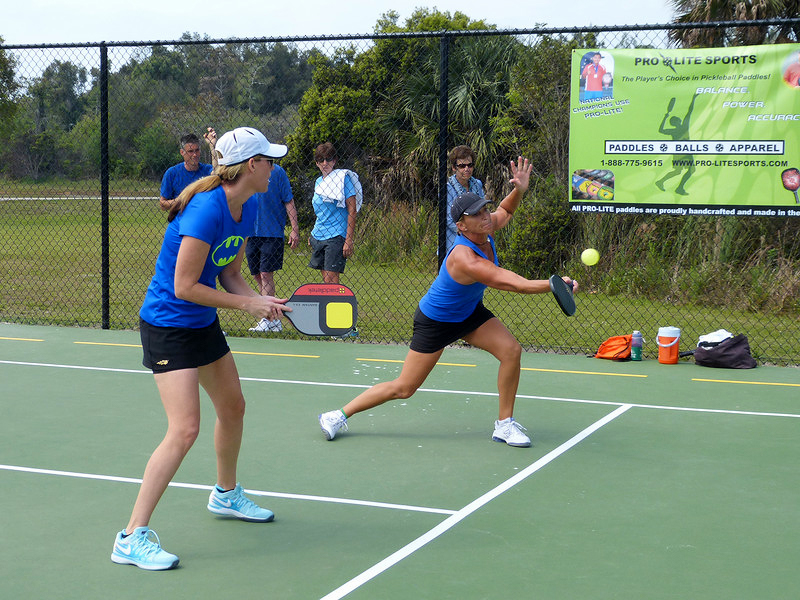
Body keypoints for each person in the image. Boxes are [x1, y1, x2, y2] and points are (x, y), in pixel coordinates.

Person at [110, 127, 289, 571]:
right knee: (185, 428)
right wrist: (247, 305)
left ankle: (225, 494)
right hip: (167, 326)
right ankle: (131, 536)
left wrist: (261, 302)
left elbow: (229, 274)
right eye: (269, 160)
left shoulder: (247, 207)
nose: (274, 167)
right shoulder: (206, 209)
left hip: (201, 322)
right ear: (251, 165)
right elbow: (184, 286)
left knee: (233, 407)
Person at [318, 157, 578, 448]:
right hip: (436, 321)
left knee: (511, 351)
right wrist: (554, 284)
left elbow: (505, 210)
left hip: (468, 313)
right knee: (404, 388)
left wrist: (519, 189)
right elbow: (512, 283)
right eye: (476, 214)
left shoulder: (486, 228)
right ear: (461, 226)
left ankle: (504, 425)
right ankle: (337, 415)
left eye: (484, 209)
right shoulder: (465, 258)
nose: (485, 216)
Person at [246, 162, 300, 333]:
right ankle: (273, 318)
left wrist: (294, 229)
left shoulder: (278, 172)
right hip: (250, 233)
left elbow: (288, 200)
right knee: (257, 275)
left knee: (266, 274)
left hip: (272, 233)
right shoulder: (246, 169)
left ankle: (268, 319)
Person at [308, 142, 359, 285]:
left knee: (332, 282)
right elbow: (321, 212)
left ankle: (335, 301)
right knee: (326, 281)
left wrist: (348, 240)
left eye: (329, 159)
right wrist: (314, 233)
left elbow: (352, 209)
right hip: (319, 235)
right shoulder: (318, 182)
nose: (325, 163)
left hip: (336, 236)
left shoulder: (343, 179)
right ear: (316, 163)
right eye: (321, 160)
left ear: (334, 160)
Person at [158, 131, 216, 211]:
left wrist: (212, 146)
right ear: (182, 152)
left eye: (197, 150)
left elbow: (217, 174)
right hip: (182, 217)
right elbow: (163, 204)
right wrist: (183, 200)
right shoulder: (172, 173)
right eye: (190, 151)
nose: (195, 154)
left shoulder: (207, 170)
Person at [446, 145, 485, 251]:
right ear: (454, 168)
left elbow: (482, 210)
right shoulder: (448, 188)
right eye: (462, 166)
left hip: (477, 238)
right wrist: (471, 231)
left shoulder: (477, 184)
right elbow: (449, 220)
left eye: (470, 165)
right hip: (454, 242)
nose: (467, 169)